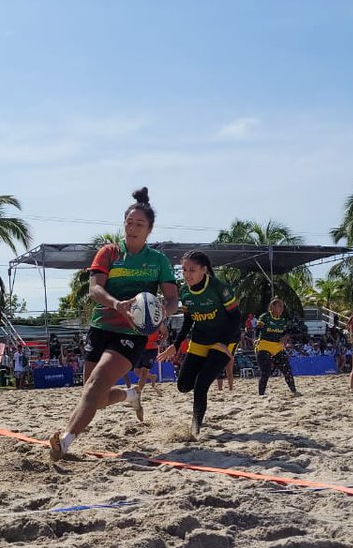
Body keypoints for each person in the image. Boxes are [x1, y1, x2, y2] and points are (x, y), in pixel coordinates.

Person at [50, 187, 179, 460]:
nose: (132, 228)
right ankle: (129, 394)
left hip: (132, 332)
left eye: (139, 224)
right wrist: (117, 304)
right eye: (129, 222)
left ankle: (65, 440)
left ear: (149, 230)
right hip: (101, 325)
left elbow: (171, 298)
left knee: (96, 384)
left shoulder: (158, 261)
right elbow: (94, 289)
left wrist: (162, 313)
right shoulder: (109, 252)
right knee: (94, 395)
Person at [156, 250, 240, 437]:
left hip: (224, 340)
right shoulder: (185, 292)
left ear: (204, 270)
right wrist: (175, 345)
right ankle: (202, 387)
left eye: (192, 270)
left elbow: (236, 318)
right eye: (184, 269)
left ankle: (195, 428)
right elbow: (188, 321)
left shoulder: (220, 288)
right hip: (201, 339)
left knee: (201, 384)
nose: (186, 274)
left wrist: (224, 343)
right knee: (183, 386)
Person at [254, 297, 298, 396]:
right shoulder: (265, 317)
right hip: (264, 345)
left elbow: (287, 332)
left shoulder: (282, 320)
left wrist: (285, 337)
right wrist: (256, 338)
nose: (282, 308)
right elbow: (257, 329)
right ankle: (261, 395)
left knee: (287, 369)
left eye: (282, 306)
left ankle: (294, 391)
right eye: (280, 306)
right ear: (272, 307)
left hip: (277, 347)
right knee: (266, 371)